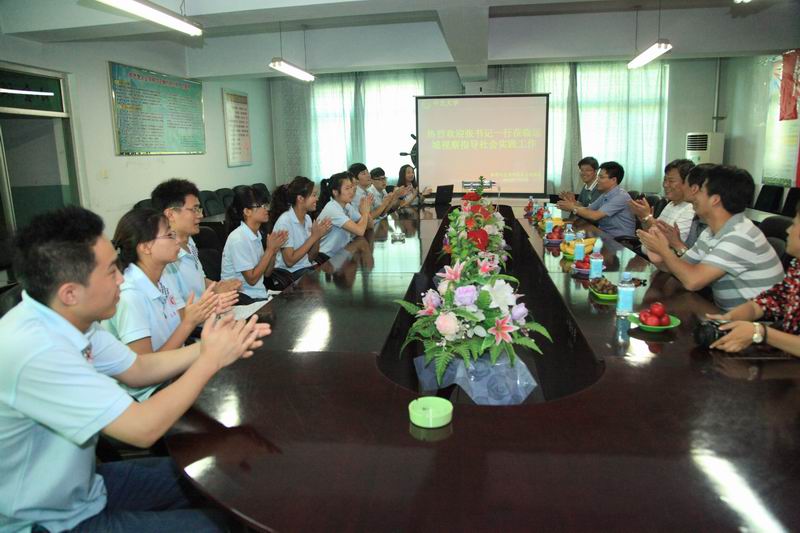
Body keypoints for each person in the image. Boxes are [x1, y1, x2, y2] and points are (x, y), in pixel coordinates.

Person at [0, 206, 269, 532]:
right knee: (224, 526)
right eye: (111, 271)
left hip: (85, 487)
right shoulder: (37, 350)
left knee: (226, 473)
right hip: (48, 522)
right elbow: (143, 429)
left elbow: (138, 367)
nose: (121, 278)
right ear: (70, 293)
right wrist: (209, 360)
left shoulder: (66, 317)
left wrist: (210, 346)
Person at [103, 208, 237, 399]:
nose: (177, 241)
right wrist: (190, 323)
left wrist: (207, 309)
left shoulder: (163, 275)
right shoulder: (130, 295)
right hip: (147, 394)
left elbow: (182, 319)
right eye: (169, 235)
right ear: (146, 247)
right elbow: (146, 369)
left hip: (174, 373)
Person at [638, 165, 784, 311]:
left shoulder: (740, 235)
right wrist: (659, 257)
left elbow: (692, 281)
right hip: (724, 313)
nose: (694, 195)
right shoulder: (710, 232)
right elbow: (682, 268)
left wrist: (664, 251)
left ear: (715, 200)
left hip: (753, 322)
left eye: (700, 190)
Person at [705, 200, 800, 358]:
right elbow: (767, 302)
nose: (788, 230)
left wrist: (760, 333)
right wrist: (729, 318)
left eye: (795, 225)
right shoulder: (797, 266)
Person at [150, 178, 242, 301]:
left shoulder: (189, 241)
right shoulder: (162, 259)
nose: (201, 215)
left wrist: (218, 287)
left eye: (200, 209)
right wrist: (215, 296)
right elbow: (175, 309)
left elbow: (200, 281)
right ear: (171, 214)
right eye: (194, 209)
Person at [221, 186, 288, 300]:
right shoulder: (238, 239)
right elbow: (251, 279)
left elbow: (266, 273)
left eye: (266, 205)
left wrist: (274, 251)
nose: (266, 209)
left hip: (258, 294)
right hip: (241, 298)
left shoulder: (256, 234)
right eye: (261, 206)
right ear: (247, 211)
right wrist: (269, 250)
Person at [270, 176, 333, 280]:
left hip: (305, 268)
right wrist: (313, 237)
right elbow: (289, 262)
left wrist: (318, 236)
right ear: (300, 198)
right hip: (289, 274)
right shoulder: (285, 222)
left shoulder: (307, 218)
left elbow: (311, 257)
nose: (317, 199)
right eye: (313, 195)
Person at [629, 159, 696, 253]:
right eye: (665, 180)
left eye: (671, 181)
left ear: (687, 183)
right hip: (645, 254)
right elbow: (650, 233)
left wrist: (647, 217)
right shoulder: (671, 204)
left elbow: (669, 242)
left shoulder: (691, 209)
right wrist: (643, 218)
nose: (665, 185)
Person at [556, 161, 636, 238]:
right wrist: (572, 204)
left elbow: (595, 216)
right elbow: (588, 209)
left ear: (613, 180)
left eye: (601, 177)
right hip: (604, 234)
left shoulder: (620, 196)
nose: (597, 180)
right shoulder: (605, 194)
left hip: (619, 240)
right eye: (598, 176)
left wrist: (573, 208)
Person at [317, 171, 372, 259]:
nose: (352, 191)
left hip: (342, 252)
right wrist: (365, 213)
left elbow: (369, 225)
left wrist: (366, 208)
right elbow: (360, 231)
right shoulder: (332, 209)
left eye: (352, 187)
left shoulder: (346, 205)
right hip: (327, 258)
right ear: (335, 192)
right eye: (347, 188)